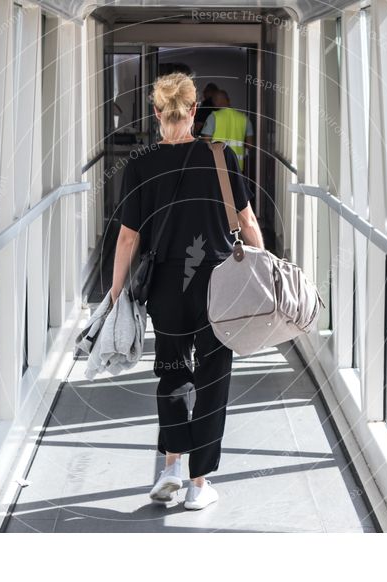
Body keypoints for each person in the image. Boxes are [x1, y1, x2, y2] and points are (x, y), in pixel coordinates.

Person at [111, 72, 264, 510]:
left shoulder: (140, 164)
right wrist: (264, 267)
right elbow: (249, 222)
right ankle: (199, 486)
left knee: (174, 371)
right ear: (195, 110)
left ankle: (171, 467)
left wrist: (115, 292)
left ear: (156, 112)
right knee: (214, 377)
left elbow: (127, 238)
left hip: (166, 286)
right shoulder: (221, 156)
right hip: (219, 285)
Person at [200, 90, 255, 173]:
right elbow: (250, 145)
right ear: (228, 100)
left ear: (215, 102)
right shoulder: (244, 118)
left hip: (218, 165)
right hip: (237, 166)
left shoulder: (213, 117)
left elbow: (206, 142)